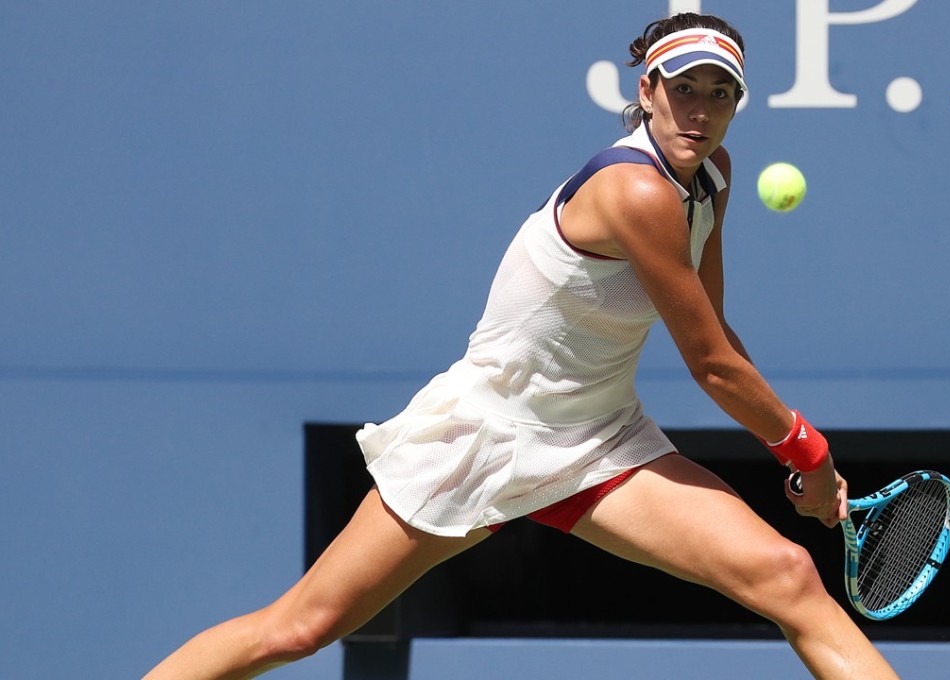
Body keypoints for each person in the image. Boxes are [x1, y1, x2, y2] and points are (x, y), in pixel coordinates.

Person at [144, 11, 899, 679]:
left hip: (598, 441)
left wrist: (800, 454)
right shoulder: (635, 192)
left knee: (787, 575)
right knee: (299, 629)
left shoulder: (713, 177)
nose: (701, 112)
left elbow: (717, 335)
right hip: (487, 435)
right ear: (647, 91)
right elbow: (708, 366)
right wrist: (805, 452)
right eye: (684, 89)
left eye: (721, 94)